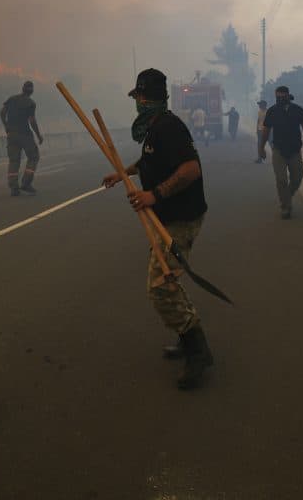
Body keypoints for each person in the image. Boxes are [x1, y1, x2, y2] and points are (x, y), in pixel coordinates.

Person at [102, 68, 214, 390]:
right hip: (166, 217)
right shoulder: (154, 128)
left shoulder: (168, 127)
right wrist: (123, 173)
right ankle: (185, 336)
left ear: (143, 97)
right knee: (168, 279)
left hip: (181, 217)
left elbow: (191, 169)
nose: (136, 102)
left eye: (137, 96)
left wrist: (155, 194)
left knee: (160, 286)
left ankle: (198, 351)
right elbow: (150, 161)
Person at [258, 87, 303, 219]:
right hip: (278, 150)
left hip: (295, 150)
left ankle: (287, 195)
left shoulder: (298, 110)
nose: (280, 99)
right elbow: (266, 130)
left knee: (298, 176)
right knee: (281, 179)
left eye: (283, 97)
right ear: (276, 97)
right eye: (278, 97)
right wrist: (261, 148)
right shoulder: (272, 111)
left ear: (288, 96)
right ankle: (285, 207)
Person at [0, 80, 43, 196]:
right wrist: (39, 135)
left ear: (22, 88)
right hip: (25, 134)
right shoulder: (30, 103)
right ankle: (26, 183)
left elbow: (2, 112)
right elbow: (32, 121)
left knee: (14, 160)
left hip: (12, 135)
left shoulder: (12, 99)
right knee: (34, 156)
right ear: (32, 91)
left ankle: (14, 188)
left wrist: (6, 126)